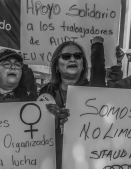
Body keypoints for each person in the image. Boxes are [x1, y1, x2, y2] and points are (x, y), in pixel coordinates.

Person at [39, 36, 106, 169]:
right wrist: (53, 121)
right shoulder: (46, 92)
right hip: (53, 162)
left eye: (78, 55)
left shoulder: (93, 91)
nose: (72, 59)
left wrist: (98, 46)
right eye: (66, 56)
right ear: (56, 65)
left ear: (82, 66)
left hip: (86, 161)